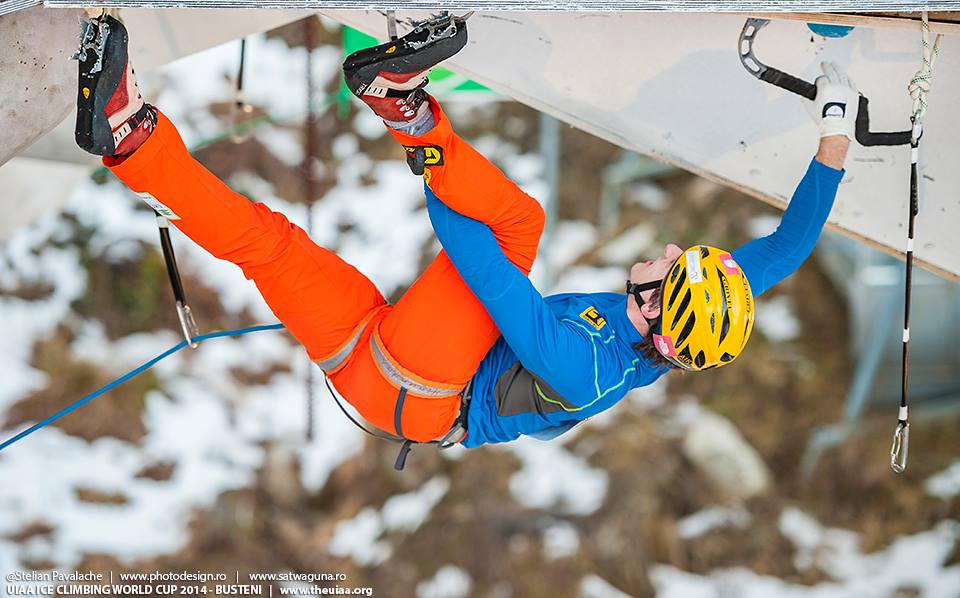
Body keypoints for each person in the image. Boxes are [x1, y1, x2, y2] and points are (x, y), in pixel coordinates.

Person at [75, 15, 853, 468]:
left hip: (424, 387)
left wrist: (423, 160)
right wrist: (833, 140)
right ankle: (126, 134)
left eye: (674, 266)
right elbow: (785, 250)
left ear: (656, 307)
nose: (669, 251)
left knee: (518, 227)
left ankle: (403, 106)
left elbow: (481, 265)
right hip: (383, 370)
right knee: (269, 247)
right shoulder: (670, 326)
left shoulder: (587, 365)